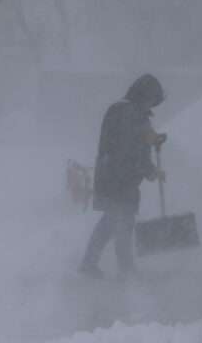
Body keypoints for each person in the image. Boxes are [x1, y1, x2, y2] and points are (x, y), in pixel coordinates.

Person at [79, 73, 167, 280]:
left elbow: (136, 140)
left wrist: (151, 139)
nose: (151, 105)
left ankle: (90, 263)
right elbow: (130, 150)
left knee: (111, 221)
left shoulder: (127, 111)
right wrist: (151, 170)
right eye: (151, 100)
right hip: (118, 178)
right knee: (123, 222)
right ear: (142, 96)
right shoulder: (128, 113)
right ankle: (125, 269)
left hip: (115, 176)